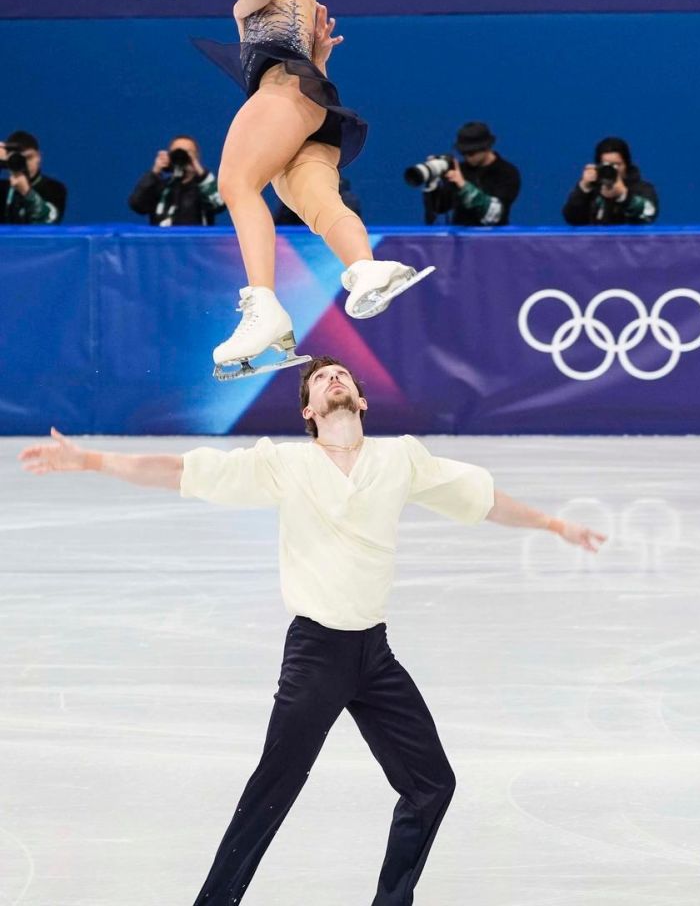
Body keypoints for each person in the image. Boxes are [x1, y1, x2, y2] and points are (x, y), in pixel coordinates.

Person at [19, 354, 606, 906]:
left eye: (341, 374)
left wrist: (554, 525)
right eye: (321, 379)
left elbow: (481, 499)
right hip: (316, 653)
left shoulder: (400, 459)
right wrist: (91, 460)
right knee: (272, 790)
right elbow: (183, 471)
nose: (334, 379)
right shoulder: (286, 466)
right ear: (309, 410)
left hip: (374, 656)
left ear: (361, 400)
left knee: (432, 785)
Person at [194, 0, 434, 380]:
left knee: (236, 183)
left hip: (284, 92)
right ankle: (366, 268)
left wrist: (244, 0)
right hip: (309, 103)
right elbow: (304, 62)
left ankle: (263, 305)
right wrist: (317, 56)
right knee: (317, 204)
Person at [422, 121, 521, 227]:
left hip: (493, 236)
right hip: (460, 235)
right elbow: (440, 207)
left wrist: (464, 186)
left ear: (487, 148)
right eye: (463, 153)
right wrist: (433, 183)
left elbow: (494, 215)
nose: (467, 157)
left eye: (471, 153)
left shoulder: (507, 172)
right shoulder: (460, 170)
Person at [128, 135, 226, 227]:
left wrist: (200, 171)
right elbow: (137, 205)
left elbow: (219, 204)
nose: (182, 156)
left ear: (196, 157)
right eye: (177, 152)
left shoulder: (203, 188)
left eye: (188, 152)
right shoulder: (161, 187)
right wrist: (155, 172)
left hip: (196, 239)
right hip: (163, 239)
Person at [562, 136, 659, 226]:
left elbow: (649, 213)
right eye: (606, 164)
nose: (611, 169)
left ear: (626, 165)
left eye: (616, 165)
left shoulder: (642, 188)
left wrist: (624, 196)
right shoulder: (592, 190)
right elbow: (572, 218)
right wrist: (583, 189)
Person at [0, 130, 67, 225]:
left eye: (29, 157)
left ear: (39, 157)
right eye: (18, 159)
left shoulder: (56, 189)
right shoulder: (3, 189)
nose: (25, 164)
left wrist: (27, 193)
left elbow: (48, 222)